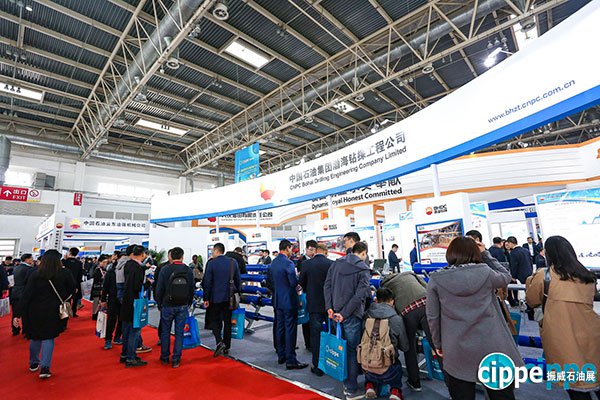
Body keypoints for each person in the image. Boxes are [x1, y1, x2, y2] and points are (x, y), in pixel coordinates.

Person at [426, 236, 522, 400]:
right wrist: (486, 254)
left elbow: (433, 316)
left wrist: (438, 344)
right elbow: (506, 276)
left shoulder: (436, 279)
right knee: (501, 394)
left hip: (456, 347)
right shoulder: (486, 272)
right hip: (491, 343)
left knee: (461, 393)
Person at [526, 236, 600, 400]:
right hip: (591, 333)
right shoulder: (587, 275)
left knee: (574, 385)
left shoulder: (544, 275)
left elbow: (532, 300)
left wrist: (529, 280)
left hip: (561, 334)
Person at [17, 250, 76, 379]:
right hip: (53, 310)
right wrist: (63, 299)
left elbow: (27, 294)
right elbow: (73, 289)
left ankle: (33, 363)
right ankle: (45, 367)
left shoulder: (35, 273)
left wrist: (18, 313)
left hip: (34, 310)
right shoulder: (65, 273)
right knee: (48, 337)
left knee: (35, 337)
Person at [324, 241, 371, 400]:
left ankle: (345, 381)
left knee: (340, 347)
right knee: (351, 351)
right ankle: (351, 388)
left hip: (335, 313)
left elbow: (327, 286)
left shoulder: (336, 263)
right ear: (363, 253)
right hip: (350, 315)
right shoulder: (363, 269)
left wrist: (329, 307)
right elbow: (359, 295)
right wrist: (344, 313)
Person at [381, 270, 430, 392]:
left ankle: (415, 382)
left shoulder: (386, 285)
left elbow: (390, 306)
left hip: (408, 312)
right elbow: (427, 287)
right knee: (437, 345)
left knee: (409, 348)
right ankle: (451, 384)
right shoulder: (409, 274)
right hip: (427, 305)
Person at [362, 287, 409, 400]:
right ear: (392, 301)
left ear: (376, 300)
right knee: (396, 365)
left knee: (369, 362)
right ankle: (395, 391)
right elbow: (404, 346)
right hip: (389, 368)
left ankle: (370, 385)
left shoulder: (367, 315)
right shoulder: (396, 319)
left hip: (367, 364)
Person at [271, 239, 308, 370]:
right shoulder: (288, 263)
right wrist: (298, 280)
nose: (292, 251)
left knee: (280, 328)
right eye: (291, 248)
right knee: (290, 329)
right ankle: (291, 359)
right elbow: (293, 282)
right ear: (287, 248)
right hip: (289, 301)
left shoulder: (274, 262)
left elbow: (270, 281)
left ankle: (281, 355)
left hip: (278, 300)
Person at [156, 247, 195, 368]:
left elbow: (159, 288)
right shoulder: (188, 270)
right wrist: (189, 302)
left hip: (167, 304)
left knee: (165, 332)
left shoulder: (165, 269)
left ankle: (164, 357)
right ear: (182, 257)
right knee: (179, 333)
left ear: (171, 257)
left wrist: (159, 303)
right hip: (182, 305)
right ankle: (176, 359)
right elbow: (192, 288)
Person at [299, 243, 332, 376]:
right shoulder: (332, 264)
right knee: (332, 333)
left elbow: (301, 283)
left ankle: (317, 366)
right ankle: (333, 363)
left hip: (314, 305)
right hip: (330, 305)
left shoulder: (306, 264)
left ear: (316, 251)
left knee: (315, 335)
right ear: (325, 251)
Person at [203, 243, 241, 357]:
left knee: (215, 320)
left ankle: (219, 342)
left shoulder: (211, 263)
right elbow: (238, 280)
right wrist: (237, 292)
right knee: (228, 321)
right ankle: (227, 346)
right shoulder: (233, 262)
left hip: (215, 298)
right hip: (229, 297)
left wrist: (206, 298)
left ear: (216, 251)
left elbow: (207, 282)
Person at [119, 245, 152, 367]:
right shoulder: (138, 268)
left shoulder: (127, 265)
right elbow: (137, 286)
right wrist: (148, 284)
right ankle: (131, 358)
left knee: (127, 330)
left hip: (127, 301)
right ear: (142, 254)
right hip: (135, 301)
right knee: (135, 330)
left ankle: (125, 354)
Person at [296, 239, 318, 350]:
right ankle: (308, 344)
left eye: (314, 250)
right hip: (305, 293)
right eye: (310, 249)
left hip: (315, 294)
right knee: (306, 320)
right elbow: (301, 279)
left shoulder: (316, 260)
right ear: (306, 249)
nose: (312, 252)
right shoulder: (301, 261)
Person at [101, 252, 122, 350]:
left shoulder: (127, 271)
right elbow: (105, 286)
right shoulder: (111, 271)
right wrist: (103, 299)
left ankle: (117, 337)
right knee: (111, 320)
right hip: (113, 298)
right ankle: (108, 339)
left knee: (121, 319)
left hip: (123, 299)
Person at [10, 253, 34, 336]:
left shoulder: (16, 268)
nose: (32, 260)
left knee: (15, 312)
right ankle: (26, 330)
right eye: (31, 258)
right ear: (27, 259)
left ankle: (15, 329)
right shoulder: (30, 269)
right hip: (24, 292)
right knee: (26, 313)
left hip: (15, 291)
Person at [153, 250, 173, 345]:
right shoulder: (162, 267)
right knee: (164, 321)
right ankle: (162, 338)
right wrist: (158, 300)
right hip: (165, 300)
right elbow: (157, 284)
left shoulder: (182, 267)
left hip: (178, 300)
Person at [62, 247, 84, 317]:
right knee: (75, 299)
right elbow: (80, 276)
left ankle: (67, 312)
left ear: (70, 252)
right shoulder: (79, 263)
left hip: (65, 283)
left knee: (67, 298)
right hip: (76, 283)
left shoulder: (64, 261)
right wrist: (77, 286)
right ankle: (74, 312)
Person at [90, 255, 109, 320]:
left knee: (100, 302)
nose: (105, 264)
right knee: (96, 302)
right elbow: (94, 279)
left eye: (106, 262)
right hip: (97, 288)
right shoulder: (97, 270)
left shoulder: (105, 269)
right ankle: (94, 315)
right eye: (103, 262)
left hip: (102, 288)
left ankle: (99, 314)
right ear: (99, 262)